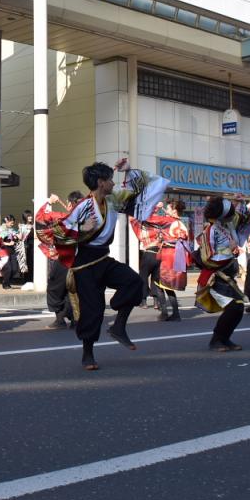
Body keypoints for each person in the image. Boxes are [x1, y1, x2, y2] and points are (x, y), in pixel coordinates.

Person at [39, 159, 167, 371]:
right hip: (85, 264)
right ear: (100, 182)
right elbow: (58, 233)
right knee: (93, 310)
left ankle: (118, 326)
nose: (113, 184)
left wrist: (128, 171)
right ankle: (87, 354)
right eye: (110, 180)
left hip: (103, 258)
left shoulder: (114, 200)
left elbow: (140, 190)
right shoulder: (83, 207)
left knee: (134, 282)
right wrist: (80, 228)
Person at [194, 196, 250, 351]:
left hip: (227, 276)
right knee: (233, 308)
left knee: (238, 308)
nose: (233, 215)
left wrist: (240, 203)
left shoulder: (228, 225)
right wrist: (230, 249)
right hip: (216, 277)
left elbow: (249, 221)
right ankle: (216, 340)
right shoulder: (211, 231)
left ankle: (224, 338)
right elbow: (207, 258)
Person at [36, 191, 83, 329]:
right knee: (72, 289)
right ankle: (75, 319)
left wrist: (49, 202)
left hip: (63, 259)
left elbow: (40, 218)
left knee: (55, 289)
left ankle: (60, 320)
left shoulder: (63, 218)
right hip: (81, 259)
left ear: (69, 203)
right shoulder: (88, 219)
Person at [155, 199, 190, 322]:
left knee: (162, 285)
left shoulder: (169, 221)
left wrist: (155, 208)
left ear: (174, 210)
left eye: (168, 209)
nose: (166, 211)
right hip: (177, 255)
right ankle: (173, 313)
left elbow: (150, 220)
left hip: (169, 255)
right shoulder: (181, 223)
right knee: (165, 285)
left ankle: (168, 312)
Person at [131, 206, 167, 311]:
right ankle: (156, 302)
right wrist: (160, 208)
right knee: (156, 279)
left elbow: (132, 219)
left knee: (143, 278)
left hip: (148, 254)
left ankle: (144, 302)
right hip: (159, 254)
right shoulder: (159, 228)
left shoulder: (141, 229)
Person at [0, 214, 22, 290]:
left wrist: (20, 229)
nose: (12, 224)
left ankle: (7, 282)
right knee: (8, 268)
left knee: (15, 269)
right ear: (6, 221)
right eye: (11, 223)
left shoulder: (12, 229)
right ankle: (5, 284)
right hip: (4, 250)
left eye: (13, 223)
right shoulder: (0, 229)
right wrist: (8, 243)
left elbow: (19, 237)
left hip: (12, 250)